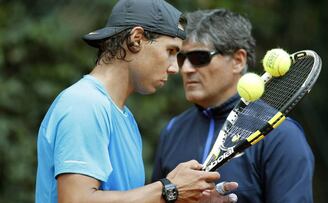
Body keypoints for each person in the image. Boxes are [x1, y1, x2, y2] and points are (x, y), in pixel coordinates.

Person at [35, 1, 227, 202]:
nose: (174, 68)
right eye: (170, 51)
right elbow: (77, 199)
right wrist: (170, 190)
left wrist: (181, 198)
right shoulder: (84, 104)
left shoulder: (125, 117)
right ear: (136, 39)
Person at [152, 9, 315, 203]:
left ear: (238, 60)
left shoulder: (282, 135)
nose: (185, 68)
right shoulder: (173, 130)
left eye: (199, 57)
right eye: (181, 58)